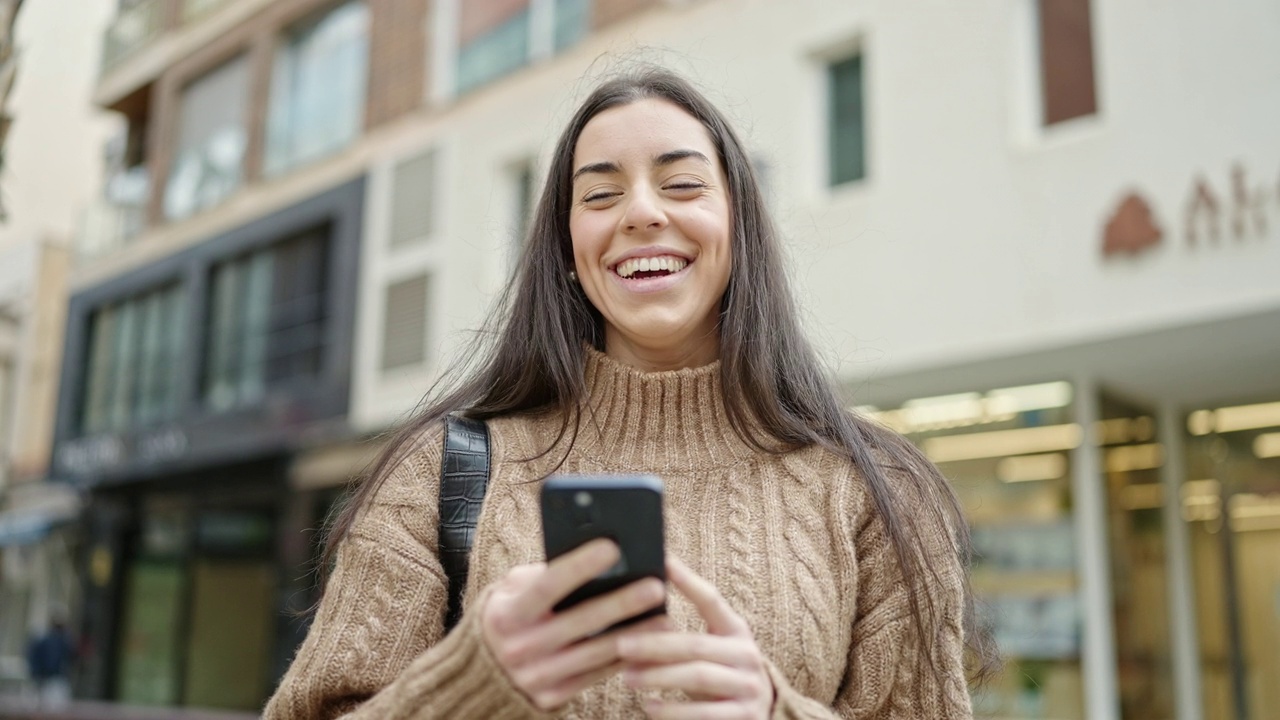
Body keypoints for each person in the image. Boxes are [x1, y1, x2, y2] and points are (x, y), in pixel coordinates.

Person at [265, 67, 995, 719]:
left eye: (681, 184)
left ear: (740, 229)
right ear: (569, 250)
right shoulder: (437, 473)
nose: (640, 213)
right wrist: (473, 682)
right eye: (602, 194)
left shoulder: (880, 492)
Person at [26, 617, 73, 708]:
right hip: (52, 678)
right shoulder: (53, 641)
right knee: (54, 707)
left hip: (49, 678)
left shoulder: (61, 641)